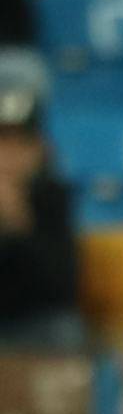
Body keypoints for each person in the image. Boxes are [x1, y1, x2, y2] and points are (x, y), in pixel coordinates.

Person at [0, 85, 80, 349]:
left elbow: (61, 289)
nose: (8, 155)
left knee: (63, 330)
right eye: (2, 141)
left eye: (20, 143)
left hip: (35, 325)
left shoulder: (52, 195)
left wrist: (18, 221)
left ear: (39, 149)